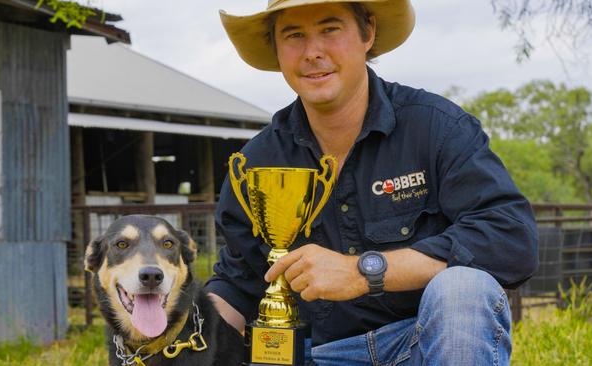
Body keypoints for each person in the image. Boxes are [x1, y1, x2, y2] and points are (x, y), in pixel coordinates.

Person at [205, 0, 539, 365]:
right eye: (294, 35)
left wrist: (363, 272)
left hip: (424, 346)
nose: (313, 52)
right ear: (276, 49)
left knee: (464, 288)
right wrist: (178, 331)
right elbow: (240, 281)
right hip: (315, 356)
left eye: (330, 30)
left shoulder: (435, 128)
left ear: (368, 32)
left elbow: (510, 239)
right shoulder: (257, 162)